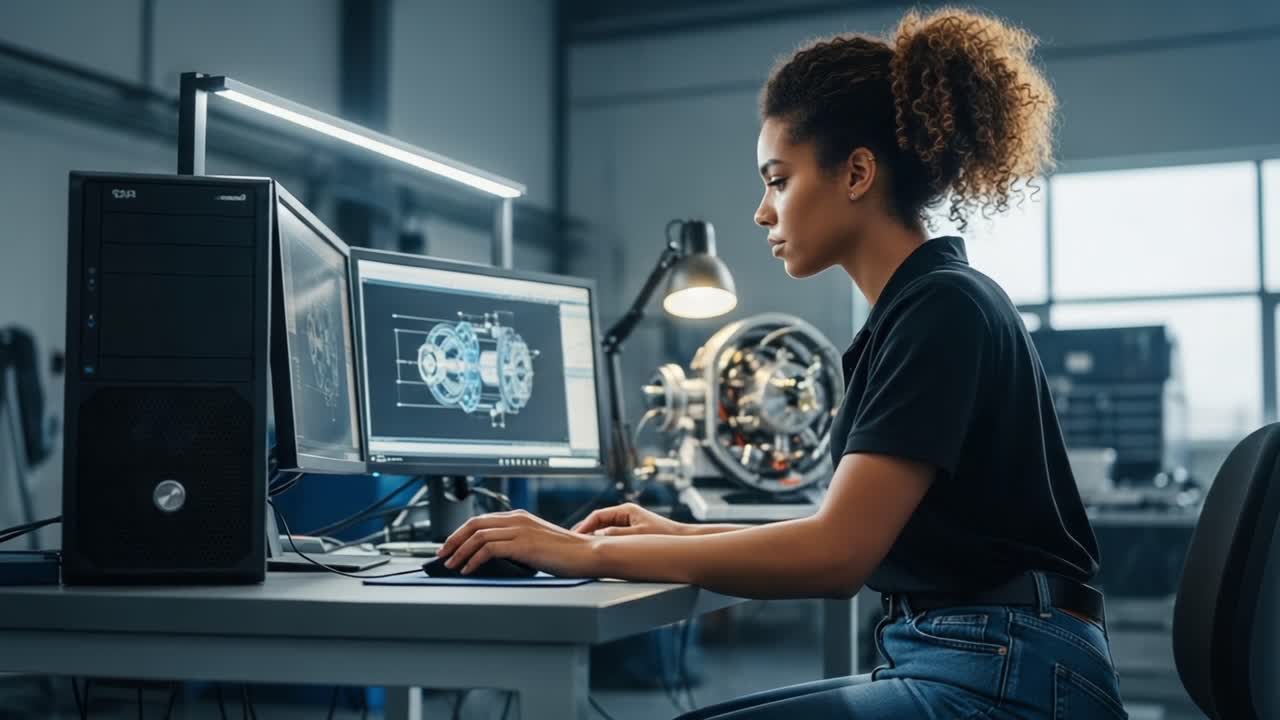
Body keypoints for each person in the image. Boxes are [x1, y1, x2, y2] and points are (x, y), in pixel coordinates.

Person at [437, 8, 1126, 718]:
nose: (763, 212)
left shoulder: (941, 310)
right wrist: (680, 534)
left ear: (857, 172)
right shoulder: (921, 307)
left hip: (1011, 674)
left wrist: (589, 555)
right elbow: (841, 530)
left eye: (778, 179)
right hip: (978, 654)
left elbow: (836, 556)